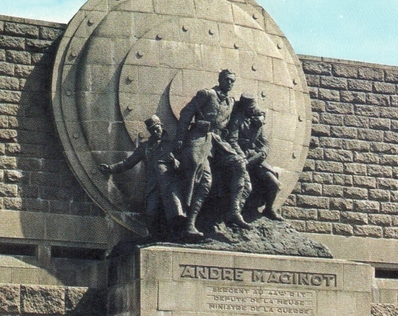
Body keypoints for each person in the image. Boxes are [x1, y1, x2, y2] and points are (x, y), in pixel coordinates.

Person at [174, 69, 250, 237]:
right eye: (227, 79)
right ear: (220, 79)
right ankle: (190, 224)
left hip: (218, 143)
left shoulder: (231, 101)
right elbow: (186, 114)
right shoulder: (206, 94)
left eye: (233, 81)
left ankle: (235, 211)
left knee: (239, 163)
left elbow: (249, 111)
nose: (230, 83)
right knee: (204, 180)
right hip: (200, 138)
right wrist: (180, 138)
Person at [99, 115, 185, 237]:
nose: (156, 131)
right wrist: (110, 168)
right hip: (153, 185)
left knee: (175, 212)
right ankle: (153, 237)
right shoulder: (145, 147)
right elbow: (128, 163)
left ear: (161, 126)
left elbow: (184, 166)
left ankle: (176, 237)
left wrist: (175, 162)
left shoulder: (171, 144)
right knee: (151, 212)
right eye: (152, 130)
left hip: (169, 184)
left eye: (157, 128)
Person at [227, 95, 282, 220]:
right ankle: (236, 215)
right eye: (250, 108)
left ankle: (269, 209)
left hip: (256, 158)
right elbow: (232, 140)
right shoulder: (237, 120)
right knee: (243, 186)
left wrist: (263, 152)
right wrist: (241, 155)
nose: (252, 110)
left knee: (274, 183)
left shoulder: (257, 122)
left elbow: (265, 142)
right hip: (242, 157)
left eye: (253, 108)